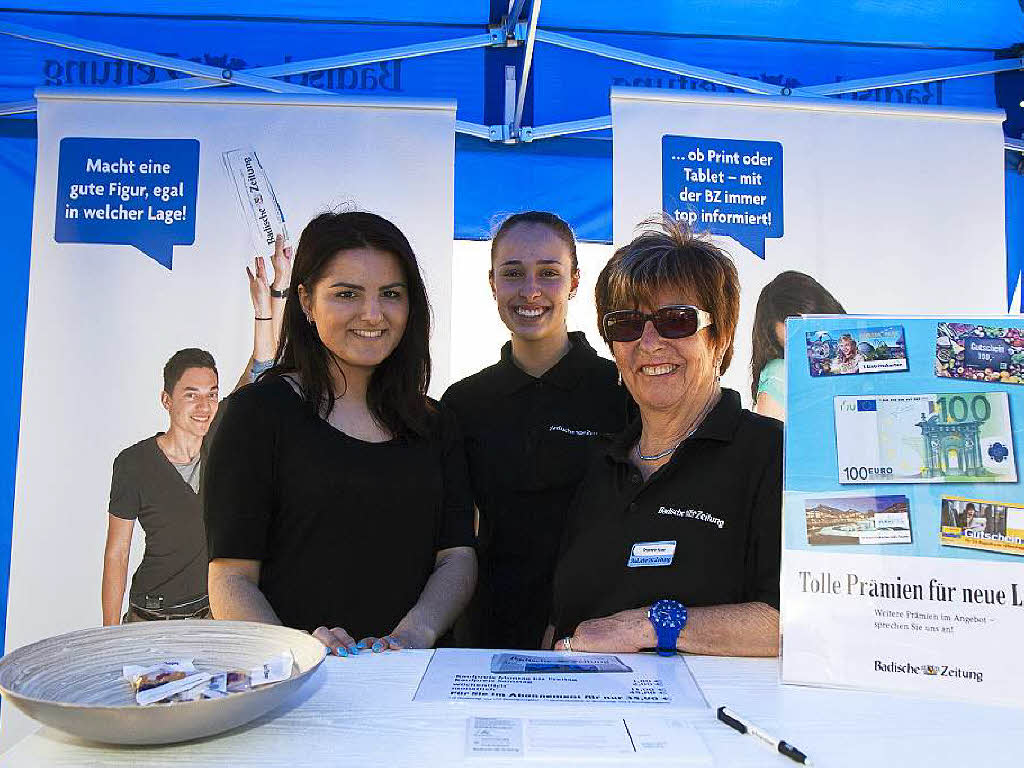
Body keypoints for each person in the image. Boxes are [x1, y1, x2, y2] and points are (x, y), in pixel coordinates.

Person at [203, 211, 476, 655]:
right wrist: (295, 652)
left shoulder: (434, 423)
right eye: (347, 294)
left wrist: (414, 633)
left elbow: (457, 556)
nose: (372, 314)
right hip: (296, 695)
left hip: (412, 685)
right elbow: (230, 578)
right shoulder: (254, 415)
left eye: (391, 294)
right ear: (307, 301)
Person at [547, 216, 781, 658]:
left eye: (676, 321)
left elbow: (796, 621)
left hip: (714, 722)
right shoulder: (602, 465)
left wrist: (650, 626)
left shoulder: (773, 455)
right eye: (626, 324)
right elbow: (564, 619)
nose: (649, 342)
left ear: (722, 335)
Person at [442, 212, 632, 649]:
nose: (530, 290)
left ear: (575, 282)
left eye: (548, 273)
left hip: (595, 634)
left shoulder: (620, 392)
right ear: (492, 283)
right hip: (484, 638)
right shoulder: (464, 403)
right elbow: (452, 539)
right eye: (513, 273)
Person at [100, 240, 293, 625]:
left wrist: (272, 297)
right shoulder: (134, 463)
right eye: (191, 395)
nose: (204, 406)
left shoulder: (223, 437)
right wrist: (109, 635)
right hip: (150, 614)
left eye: (212, 394)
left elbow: (265, 364)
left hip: (212, 614)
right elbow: (117, 553)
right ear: (166, 399)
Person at [750, 270, 845, 420]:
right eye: (794, 347)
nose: (812, 351)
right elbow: (769, 434)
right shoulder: (779, 374)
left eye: (812, 333)